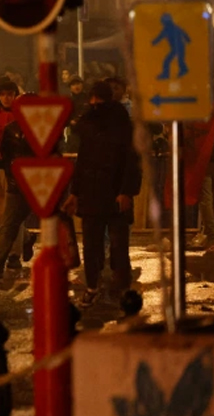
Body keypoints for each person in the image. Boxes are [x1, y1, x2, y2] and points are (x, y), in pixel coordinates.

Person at [64, 81, 141, 306]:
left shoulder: (123, 125)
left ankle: (121, 289)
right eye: (93, 99)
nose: (96, 103)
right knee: (90, 245)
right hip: (90, 194)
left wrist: (126, 191)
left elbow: (131, 162)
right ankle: (92, 287)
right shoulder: (89, 124)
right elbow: (83, 160)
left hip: (115, 194)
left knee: (118, 246)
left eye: (100, 99)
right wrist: (75, 193)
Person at [0, 80, 34, 285]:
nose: (6, 98)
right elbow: (1, 150)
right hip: (11, 177)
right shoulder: (5, 121)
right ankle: (9, 257)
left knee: (10, 221)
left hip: (31, 181)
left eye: (10, 94)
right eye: (2, 94)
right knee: (8, 220)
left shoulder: (34, 127)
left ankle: (12, 256)